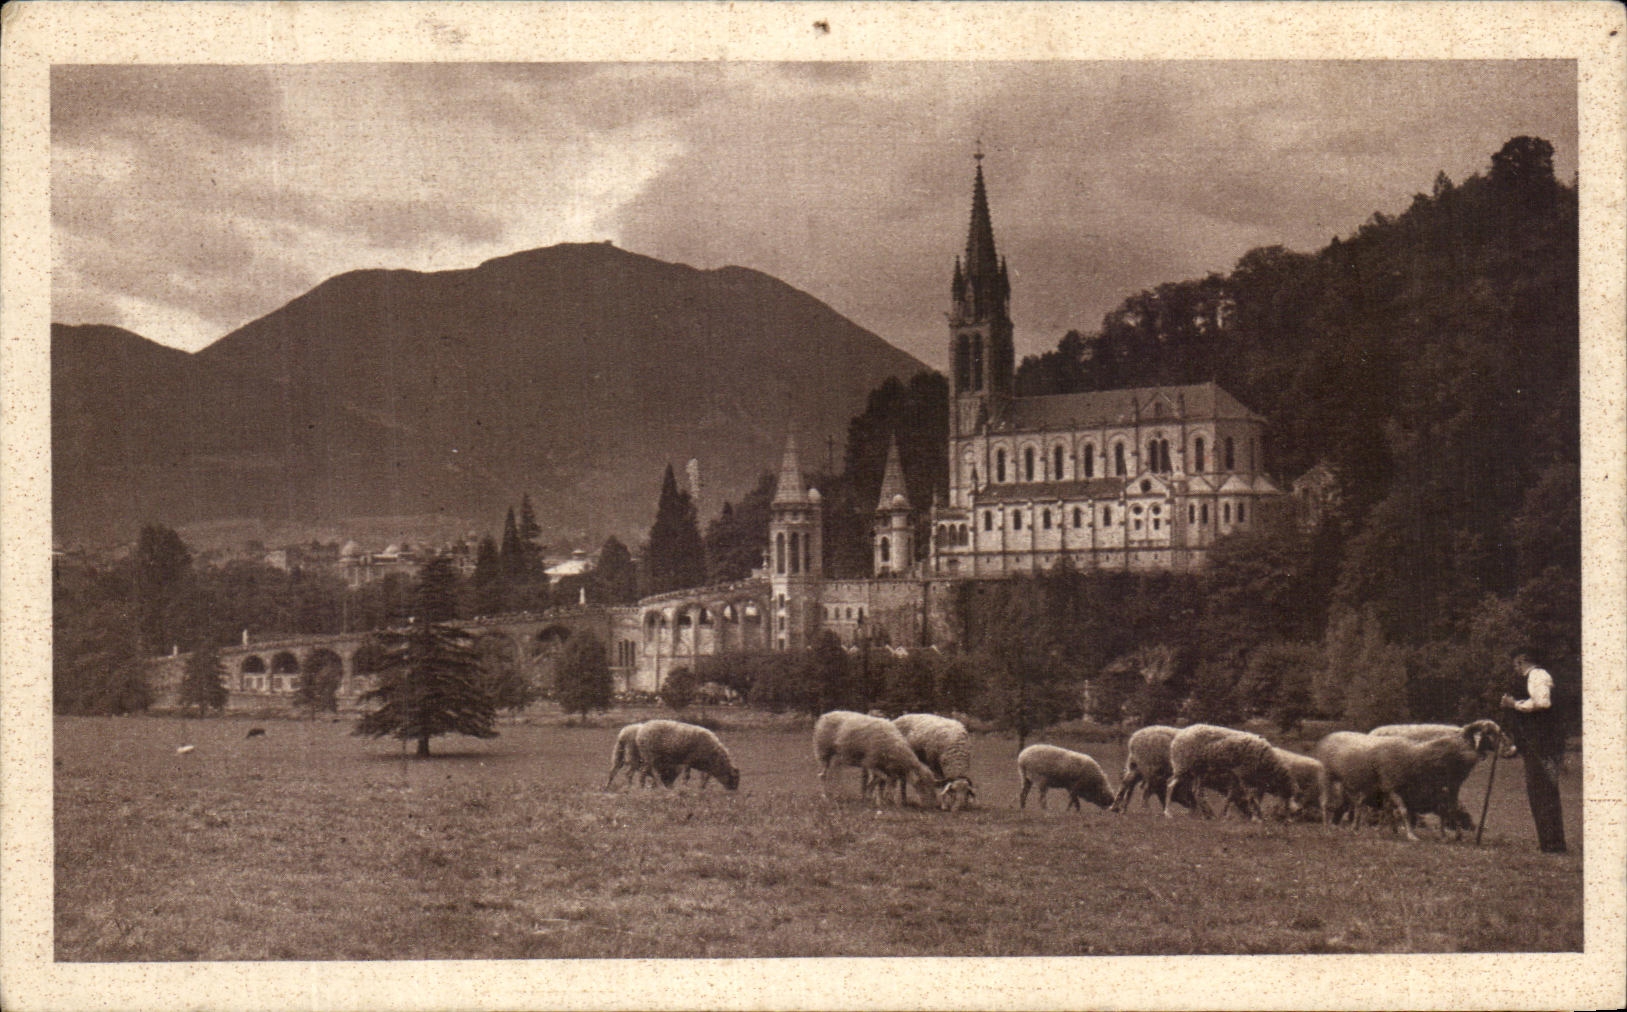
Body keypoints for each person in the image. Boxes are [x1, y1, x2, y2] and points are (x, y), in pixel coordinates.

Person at [1500, 649, 1567, 853]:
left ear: (1522, 661)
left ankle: (1553, 844)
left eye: (1516, 665)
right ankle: (1548, 843)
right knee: (1538, 793)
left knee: (1543, 792)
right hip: (1535, 745)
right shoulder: (1531, 678)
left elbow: (1542, 703)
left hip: (1544, 746)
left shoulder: (1539, 676)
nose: (1515, 670)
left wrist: (1514, 704)